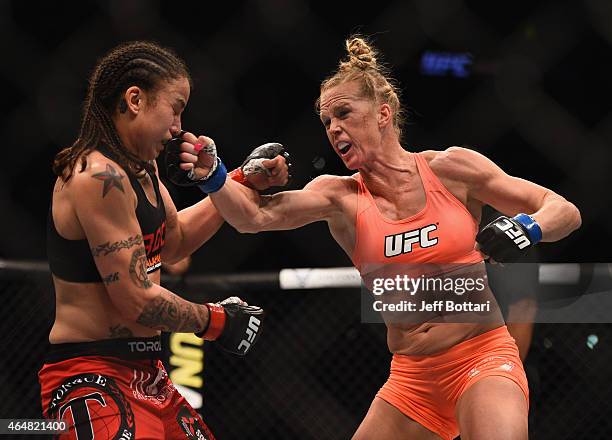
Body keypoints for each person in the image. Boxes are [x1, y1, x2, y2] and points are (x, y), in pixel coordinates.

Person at [179, 36, 581, 439]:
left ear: (383, 114)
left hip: (482, 355)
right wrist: (213, 175)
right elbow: (252, 217)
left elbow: (563, 210)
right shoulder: (340, 196)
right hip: (412, 379)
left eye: (344, 113)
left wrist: (528, 228)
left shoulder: (451, 169)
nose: (334, 128)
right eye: (326, 122)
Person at [40, 41, 288, 439]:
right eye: (175, 108)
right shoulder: (95, 176)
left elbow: (174, 242)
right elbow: (136, 299)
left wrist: (233, 179)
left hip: (148, 373)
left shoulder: (141, 167)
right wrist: (215, 321)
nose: (178, 127)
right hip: (93, 373)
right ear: (135, 99)